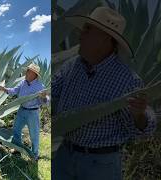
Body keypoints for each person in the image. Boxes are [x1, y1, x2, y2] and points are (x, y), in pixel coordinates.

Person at [52, 7, 156, 180]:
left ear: (105, 39)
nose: (80, 34)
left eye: (87, 30)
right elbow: (51, 92)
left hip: (100, 165)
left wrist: (139, 115)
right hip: (65, 155)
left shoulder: (126, 80)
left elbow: (142, 129)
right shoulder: (72, 66)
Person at [0, 63, 50, 160]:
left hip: (32, 113)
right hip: (22, 110)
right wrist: (4, 89)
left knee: (34, 134)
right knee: (16, 130)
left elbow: (46, 102)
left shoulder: (39, 86)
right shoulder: (23, 83)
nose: (26, 73)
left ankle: (34, 155)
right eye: (27, 71)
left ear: (34, 74)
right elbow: (14, 90)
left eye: (28, 71)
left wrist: (44, 98)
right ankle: (17, 148)